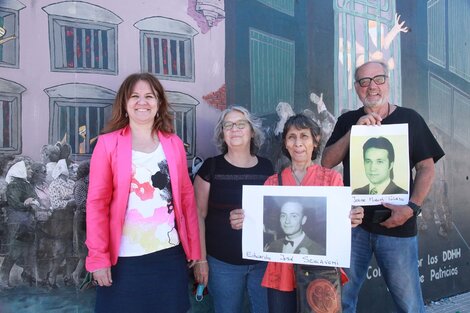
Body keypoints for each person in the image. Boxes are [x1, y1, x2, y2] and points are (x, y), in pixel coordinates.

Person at [322, 61, 445, 313]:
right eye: (364, 82)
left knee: (409, 304)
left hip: (398, 226)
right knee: (341, 301)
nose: (372, 87)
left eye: (378, 79)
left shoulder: (410, 118)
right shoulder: (347, 120)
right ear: (356, 88)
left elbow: (427, 168)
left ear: (388, 82)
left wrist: (411, 208)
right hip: (353, 226)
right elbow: (327, 162)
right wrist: (353, 132)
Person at [85, 73, 200, 313]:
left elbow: (187, 200)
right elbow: (97, 205)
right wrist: (98, 258)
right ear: (125, 104)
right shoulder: (107, 144)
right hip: (123, 260)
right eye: (135, 96)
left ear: (158, 104)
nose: (142, 102)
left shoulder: (174, 143)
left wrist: (195, 250)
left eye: (149, 96)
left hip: (169, 257)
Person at [230, 114, 364, 313]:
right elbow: (259, 228)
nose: (298, 143)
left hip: (320, 273)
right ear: (285, 142)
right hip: (280, 273)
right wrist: (243, 221)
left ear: (315, 141)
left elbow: (338, 225)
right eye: (292, 137)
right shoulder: (272, 183)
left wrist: (351, 218)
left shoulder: (331, 179)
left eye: (304, 136)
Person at [193, 106, 274, 313]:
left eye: (240, 124)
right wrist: (200, 260)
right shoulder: (211, 168)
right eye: (228, 125)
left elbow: (274, 213)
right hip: (222, 263)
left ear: (252, 131)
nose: (234, 129)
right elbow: (197, 216)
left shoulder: (267, 168)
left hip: (262, 262)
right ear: (222, 133)